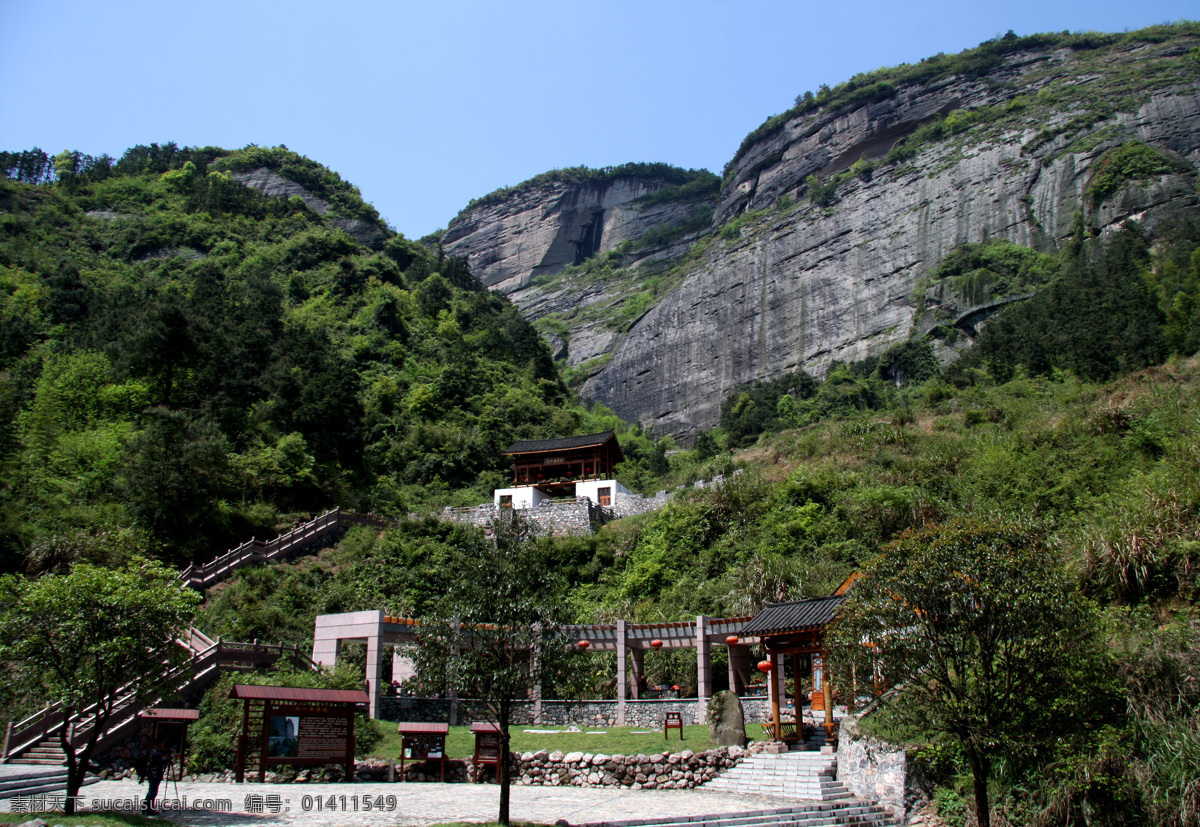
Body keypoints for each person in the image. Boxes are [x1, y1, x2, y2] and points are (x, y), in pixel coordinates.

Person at [142, 741, 171, 815]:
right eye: (162, 744)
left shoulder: (154, 751)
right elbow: (162, 762)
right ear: (158, 744)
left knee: (151, 792)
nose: (162, 746)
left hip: (152, 775)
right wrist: (170, 757)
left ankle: (146, 808)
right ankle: (148, 809)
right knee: (152, 792)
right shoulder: (156, 754)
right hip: (154, 775)